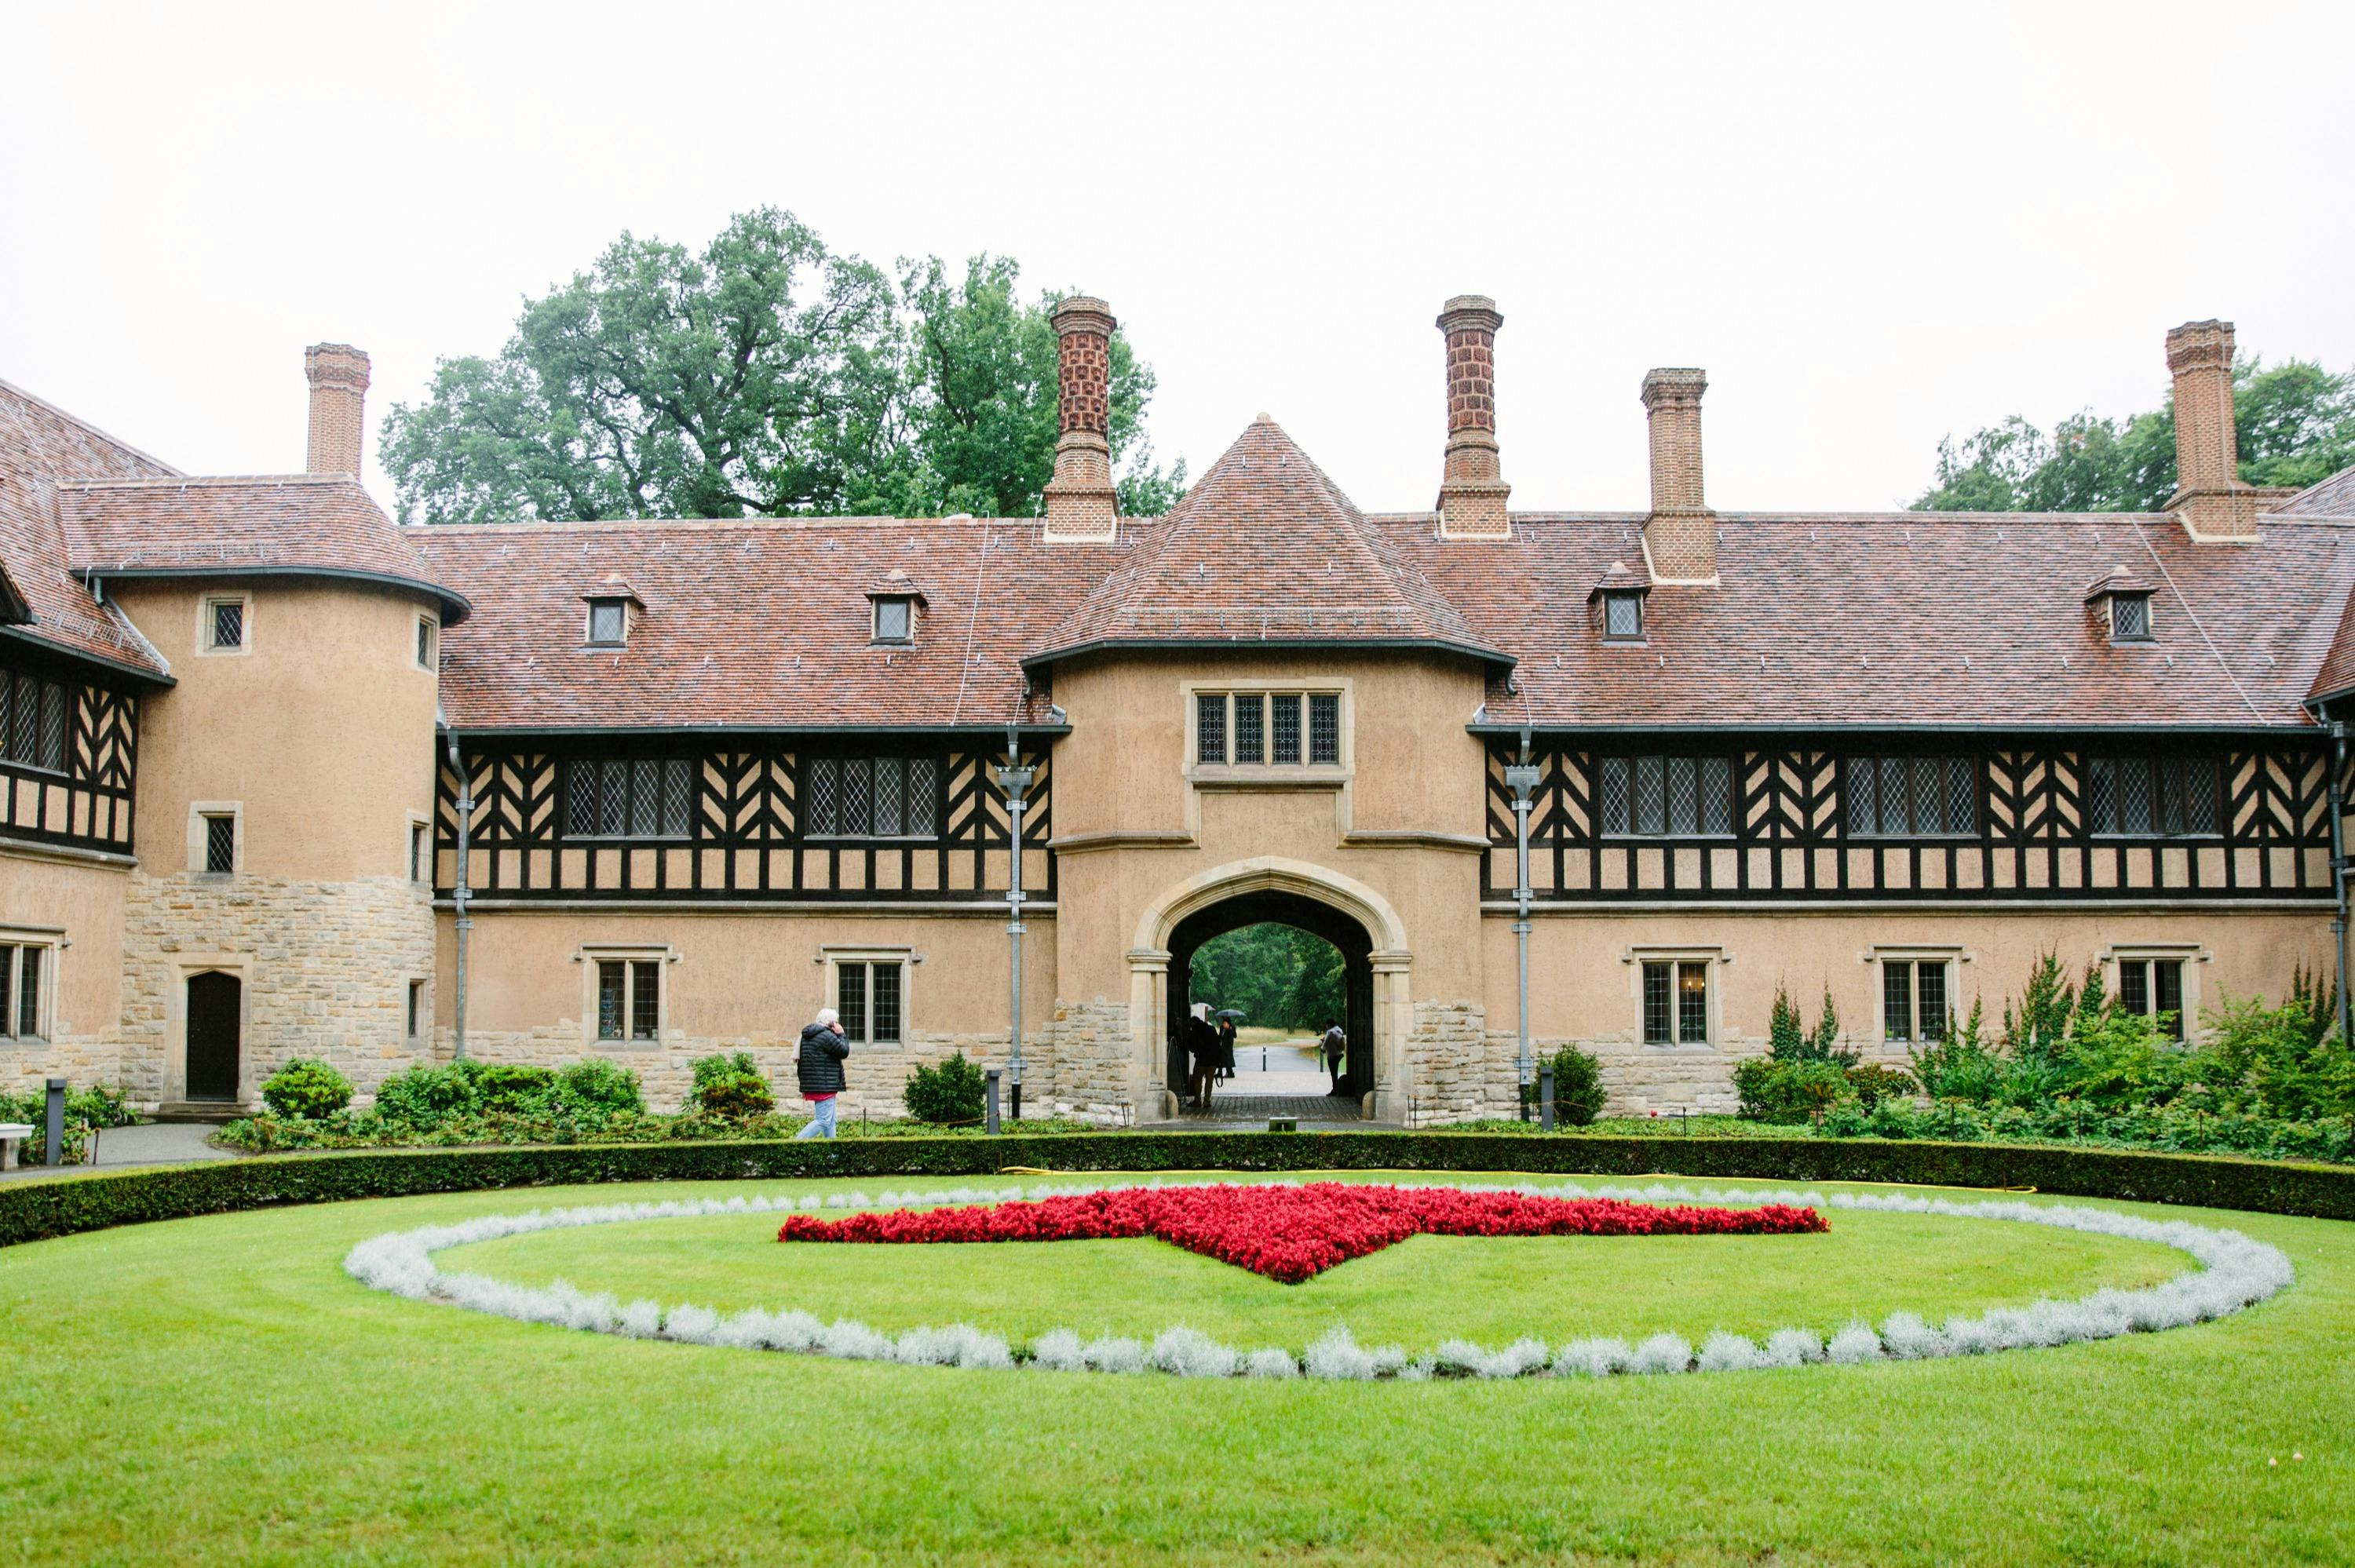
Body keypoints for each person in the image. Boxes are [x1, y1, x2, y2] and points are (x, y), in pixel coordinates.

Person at [794, 1005, 849, 1139]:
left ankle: (832, 1156)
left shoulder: (808, 1036)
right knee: (823, 1121)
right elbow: (844, 1051)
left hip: (816, 1084)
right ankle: (792, 1145)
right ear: (831, 1023)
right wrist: (842, 1034)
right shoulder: (826, 1036)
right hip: (825, 1085)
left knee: (830, 1121)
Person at [1183, 1002, 1220, 1110]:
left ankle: (1198, 1100)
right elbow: (1218, 1045)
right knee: (1209, 1083)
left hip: (1201, 1061)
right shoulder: (1211, 1029)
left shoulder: (1195, 1032)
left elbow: (1192, 1048)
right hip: (1212, 1061)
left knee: (1197, 1081)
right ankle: (1207, 1101)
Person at [1322, 1022, 1348, 1096]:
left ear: (1328, 1025)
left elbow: (1326, 1043)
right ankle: (1336, 1089)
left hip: (1332, 1055)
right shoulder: (1339, 1030)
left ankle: (1335, 1089)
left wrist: (1322, 1048)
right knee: (1334, 1072)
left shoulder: (1330, 1032)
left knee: (1333, 1073)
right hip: (1339, 1053)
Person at [1215, 1016, 1239, 1084]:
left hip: (1228, 1047)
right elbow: (1220, 1036)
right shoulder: (1222, 1028)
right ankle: (1221, 1072)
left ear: (1228, 1023)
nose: (1223, 1024)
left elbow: (1235, 1036)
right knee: (1222, 1060)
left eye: (1225, 1022)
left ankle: (1229, 1073)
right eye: (1223, 1022)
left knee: (1227, 1060)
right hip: (1223, 1046)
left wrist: (1231, 1030)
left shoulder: (1231, 1027)